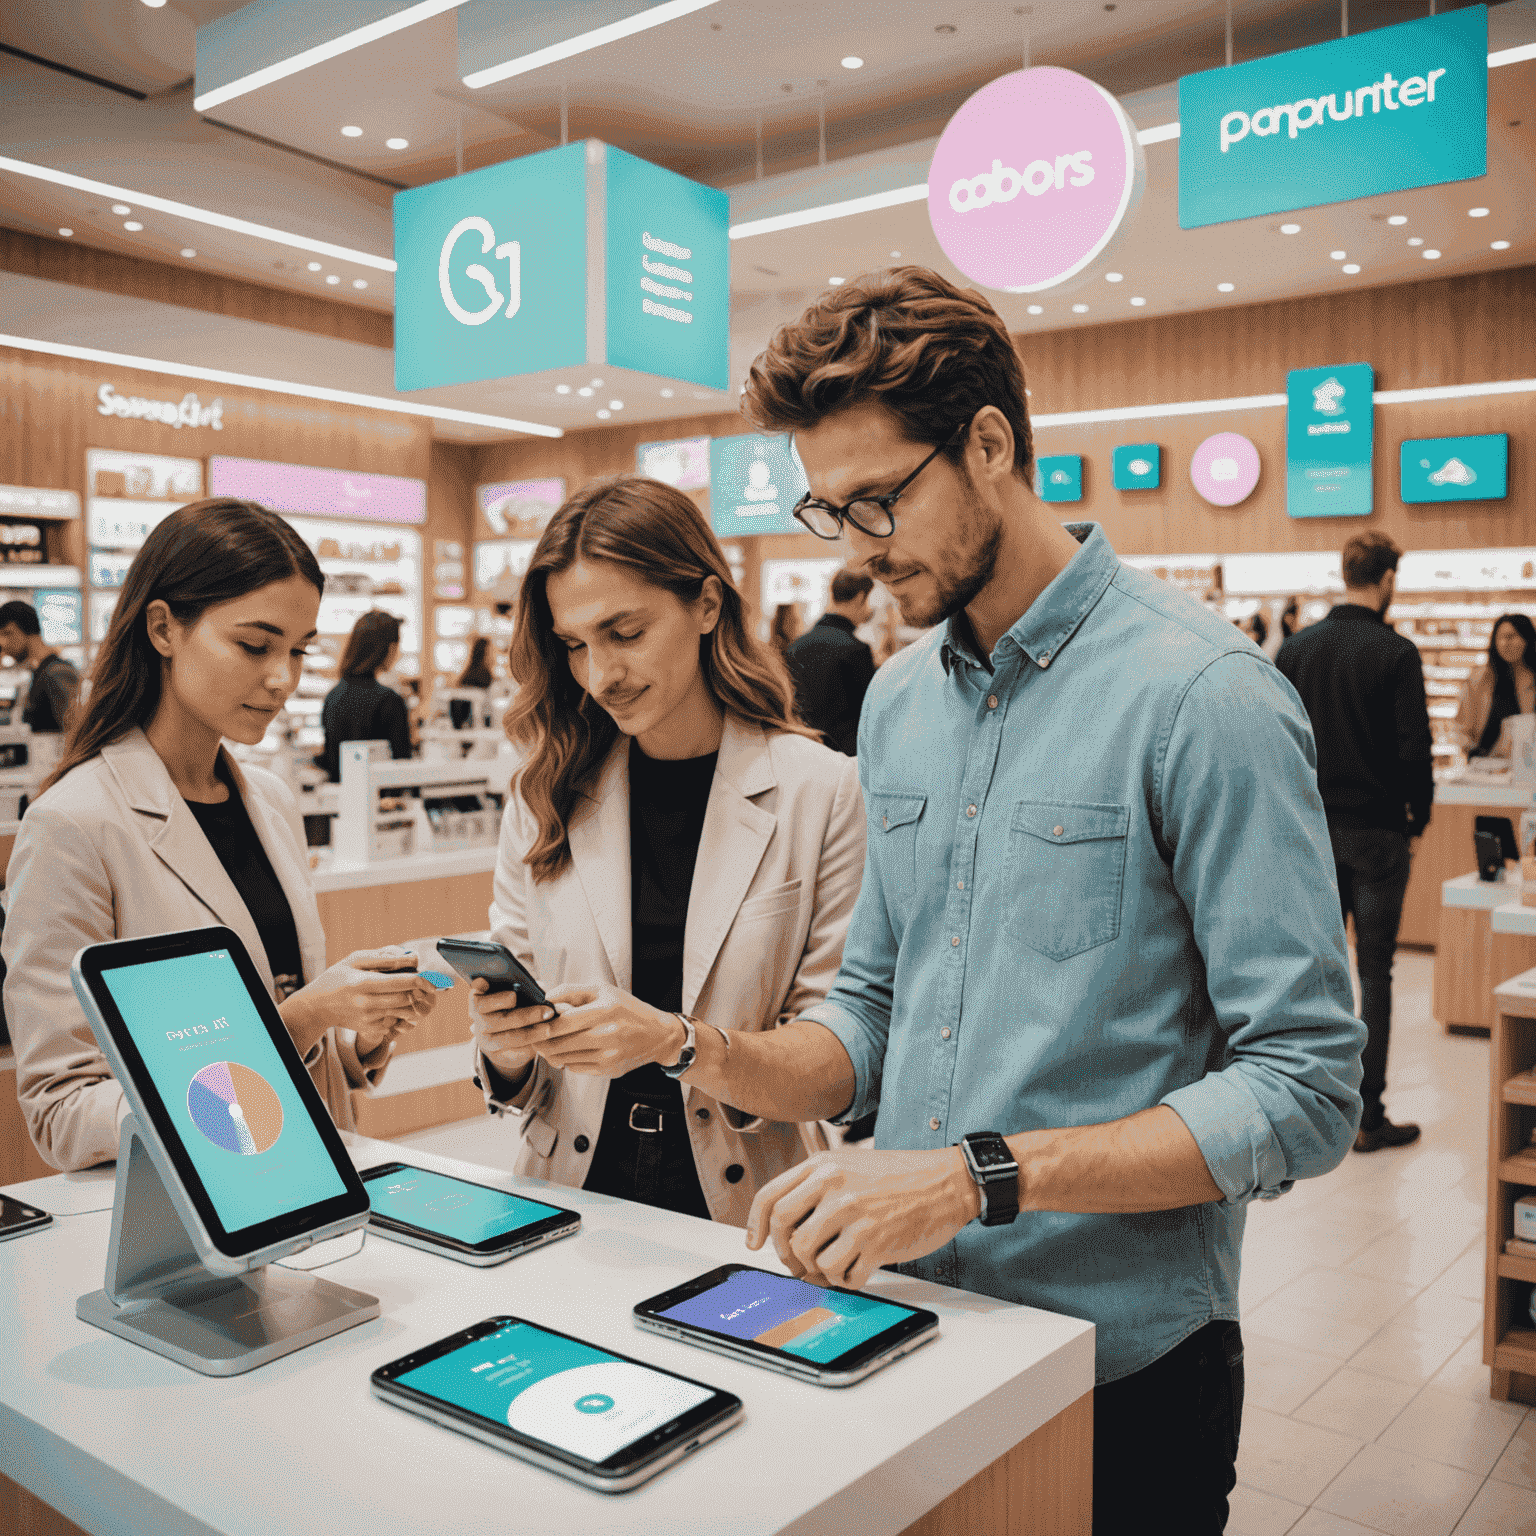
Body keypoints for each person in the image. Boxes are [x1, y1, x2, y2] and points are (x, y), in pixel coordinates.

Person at [476, 267, 1365, 1533]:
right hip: (896, 1325)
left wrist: (973, 1176)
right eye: (829, 510)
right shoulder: (897, 704)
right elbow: (869, 1020)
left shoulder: (1203, 697)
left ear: (990, 444)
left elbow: (1306, 1088)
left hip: (1118, 1365)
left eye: (880, 501)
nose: (857, 548)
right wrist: (696, 1048)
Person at [467, 474, 865, 1224]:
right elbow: (516, 1073)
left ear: (707, 604)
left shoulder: (822, 791)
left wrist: (677, 1043)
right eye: (575, 646)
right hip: (565, 1196)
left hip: (749, 1206)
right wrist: (507, 1048)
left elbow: (834, 1066)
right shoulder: (545, 791)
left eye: (626, 633)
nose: (601, 675)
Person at [3, 499, 440, 1172]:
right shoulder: (74, 824)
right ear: (163, 628)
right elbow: (64, 1113)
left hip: (312, 1183)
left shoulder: (267, 799)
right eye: (254, 646)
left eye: (298, 652)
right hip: (191, 1219)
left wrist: (355, 1036)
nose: (282, 680)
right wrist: (296, 1021)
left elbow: (292, 1030)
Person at [1277, 530, 1432, 1155]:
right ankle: (1369, 1117)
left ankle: (1305, 1110)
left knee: (1314, 975)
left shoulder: (1296, 650)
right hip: (1377, 834)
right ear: (1388, 579)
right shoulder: (1397, 654)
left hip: (1311, 831)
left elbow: (1278, 743)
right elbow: (1412, 752)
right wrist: (1415, 823)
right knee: (1377, 972)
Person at [783, 569, 877, 756]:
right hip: (847, 757)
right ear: (860, 598)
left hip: (805, 752)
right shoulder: (856, 649)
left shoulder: (795, 647)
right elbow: (870, 714)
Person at [318, 609, 411, 780]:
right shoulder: (389, 701)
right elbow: (402, 765)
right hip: (379, 799)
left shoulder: (333, 696)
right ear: (389, 648)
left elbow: (330, 757)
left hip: (340, 797)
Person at [1453, 613, 1536, 757]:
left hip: (1527, 768)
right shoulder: (1478, 680)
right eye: (1500, 638)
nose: (1505, 643)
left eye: (1511, 636)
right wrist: (1473, 752)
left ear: (1527, 639)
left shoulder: (1531, 680)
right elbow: (1461, 728)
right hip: (1486, 769)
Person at [0, 599, 79, 734]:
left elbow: (76, 729)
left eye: (6, 633)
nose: (3, 644)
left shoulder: (56, 672)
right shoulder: (40, 672)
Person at [450, 637, 495, 729]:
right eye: (492, 651)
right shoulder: (487, 677)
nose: (494, 655)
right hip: (482, 724)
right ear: (486, 653)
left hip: (462, 725)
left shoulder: (466, 675)